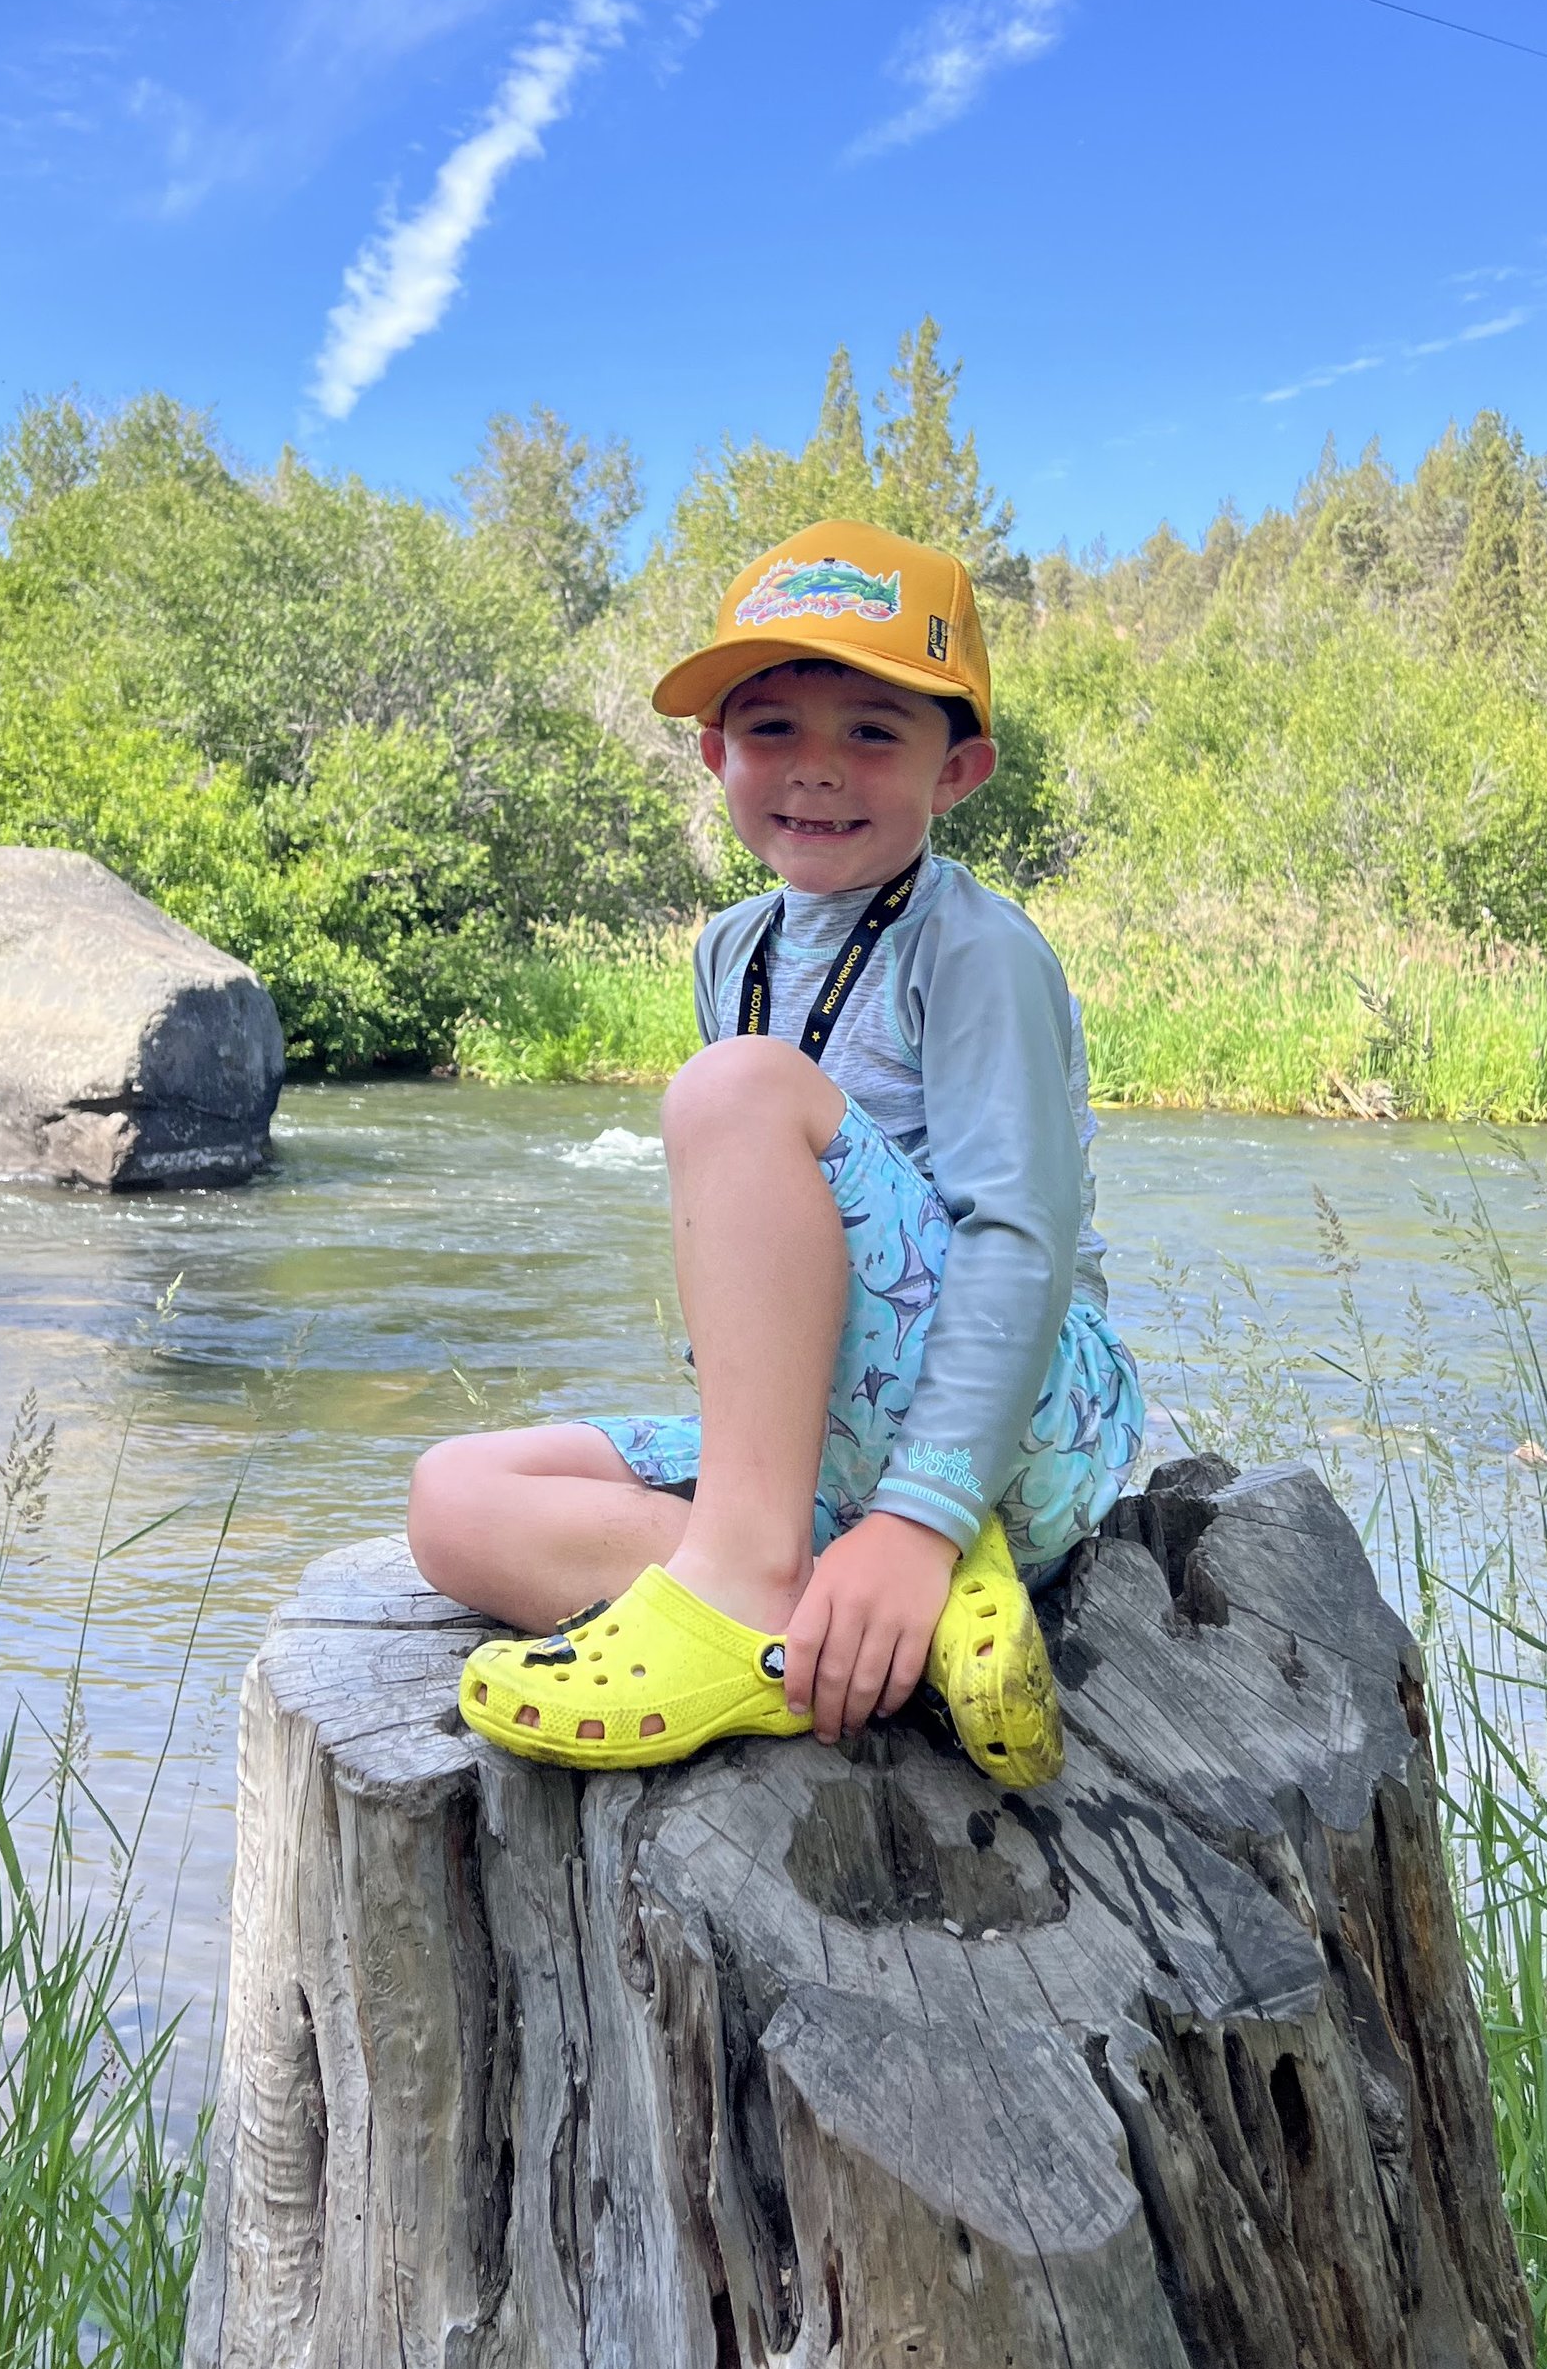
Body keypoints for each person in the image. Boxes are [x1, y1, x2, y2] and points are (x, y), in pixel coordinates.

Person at [407, 518, 1145, 1784]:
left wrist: (920, 1516)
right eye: (771, 732)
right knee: (452, 1498)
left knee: (737, 1086)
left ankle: (787, 1584)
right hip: (835, 1432)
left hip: (1026, 1405)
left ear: (957, 771)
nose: (816, 770)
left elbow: (1019, 1240)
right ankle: (839, 1633)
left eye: (871, 731)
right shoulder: (729, 948)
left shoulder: (973, 950)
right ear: (713, 754)